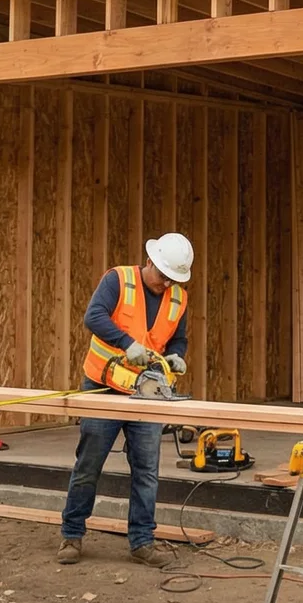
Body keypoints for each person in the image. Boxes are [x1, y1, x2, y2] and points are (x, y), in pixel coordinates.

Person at [57, 232, 194, 569]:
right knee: (89, 464)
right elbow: (94, 317)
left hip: (146, 392)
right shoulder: (118, 280)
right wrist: (126, 342)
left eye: (172, 278)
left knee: (147, 470)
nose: (165, 283)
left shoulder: (178, 298)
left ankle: (142, 542)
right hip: (103, 384)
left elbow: (179, 338)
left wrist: (176, 355)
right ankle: (72, 535)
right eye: (162, 275)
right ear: (150, 261)